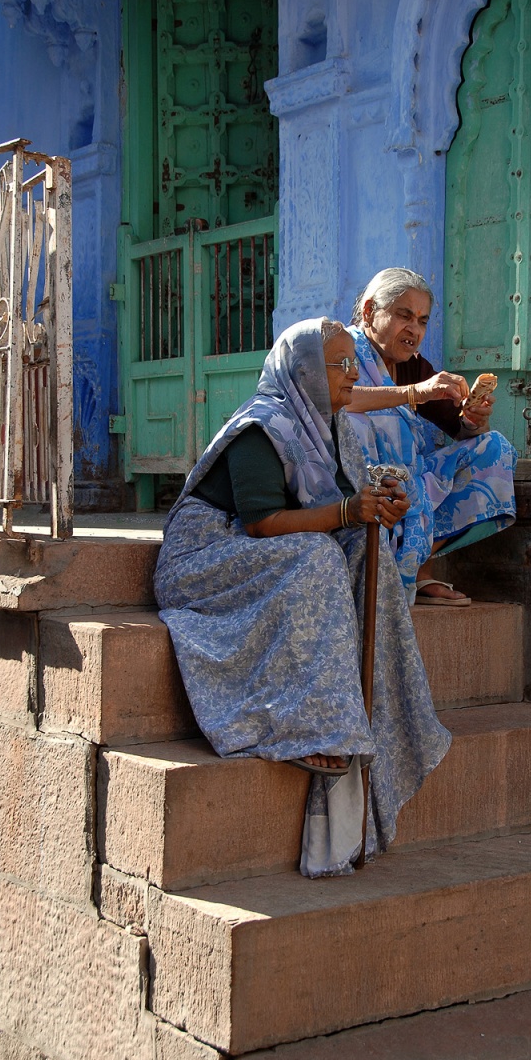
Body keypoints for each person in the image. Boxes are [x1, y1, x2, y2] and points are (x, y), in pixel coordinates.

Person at [154, 317, 451, 878]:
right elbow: (264, 522)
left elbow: (346, 508)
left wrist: (380, 507)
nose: (348, 374)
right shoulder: (262, 427)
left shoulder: (329, 424)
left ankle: (385, 720)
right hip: (206, 557)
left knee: (370, 554)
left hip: (263, 546)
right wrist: (347, 512)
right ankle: (309, 723)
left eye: (349, 363)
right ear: (305, 371)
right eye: (337, 365)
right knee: (318, 556)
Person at [346, 268, 517, 606]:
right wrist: (413, 393)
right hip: (355, 485)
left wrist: (472, 419)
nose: (414, 330)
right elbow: (340, 399)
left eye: (422, 320)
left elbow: (463, 433)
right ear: (369, 312)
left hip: (406, 483)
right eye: (404, 316)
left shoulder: (411, 364)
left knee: (493, 448)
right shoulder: (343, 350)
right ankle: (396, 569)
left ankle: (415, 565)